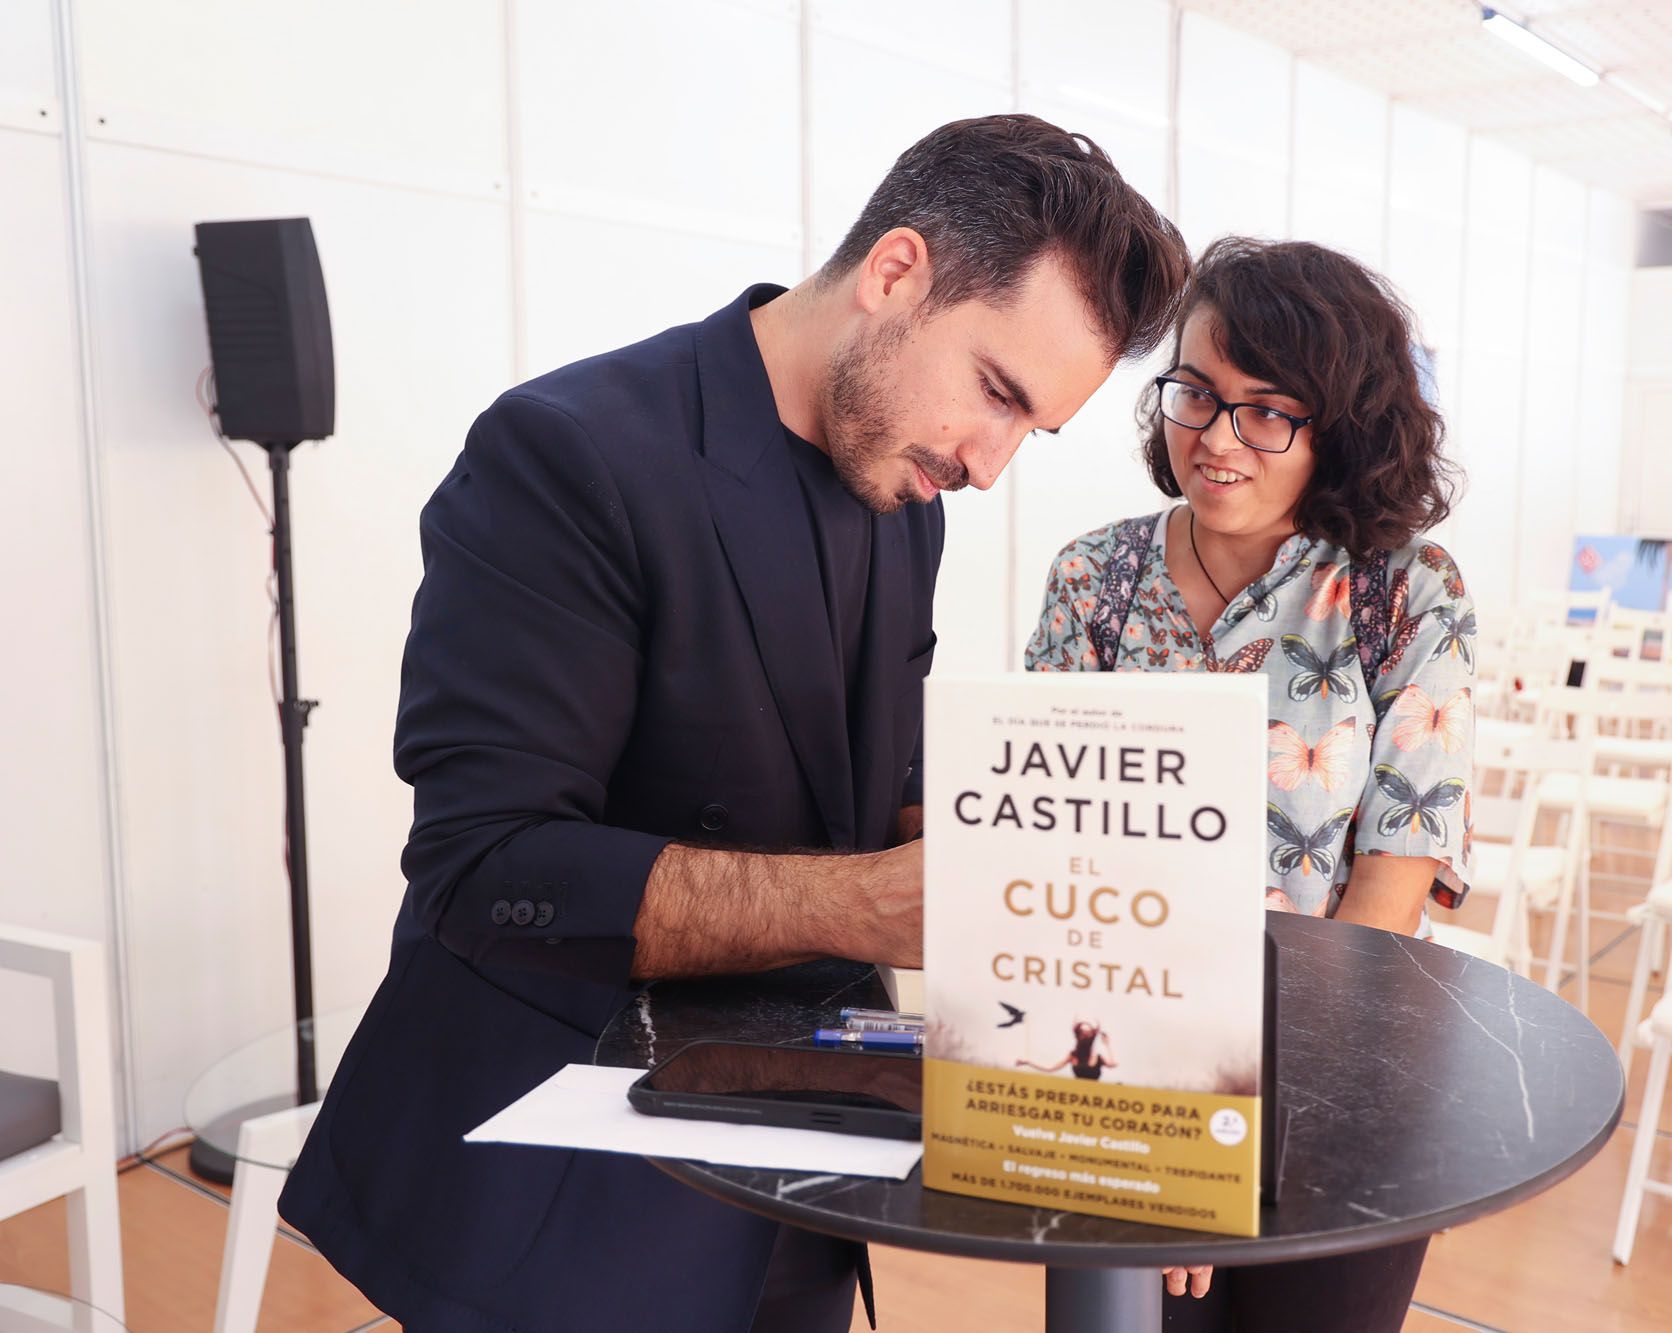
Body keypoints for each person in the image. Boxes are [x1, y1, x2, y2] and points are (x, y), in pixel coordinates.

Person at [277, 115, 1190, 1333]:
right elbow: (488, 873)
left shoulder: (900, 487)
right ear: (895, 271)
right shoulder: (567, 452)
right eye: (995, 395)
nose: (989, 464)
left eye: (1033, 429)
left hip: (798, 1152)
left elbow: (876, 767)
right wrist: (878, 901)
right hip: (566, 1180)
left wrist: (1073, 870)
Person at [1025, 237, 1473, 1333]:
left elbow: (1389, 885)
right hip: (1116, 1074)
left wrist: (1241, 1121)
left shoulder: (1403, 591)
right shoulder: (1093, 577)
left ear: (1342, 425)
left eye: (1267, 410)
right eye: (1195, 394)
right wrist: (1168, 1120)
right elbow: (1048, 856)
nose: (1216, 440)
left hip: (1338, 1080)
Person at [1016, 1021, 1117, 1079]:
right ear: (1078, 1035)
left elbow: (1113, 1064)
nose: (1085, 1035)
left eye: (1088, 1032)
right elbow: (1050, 1068)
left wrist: (1107, 1045)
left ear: (1092, 1036)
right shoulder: (1073, 1056)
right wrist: (1028, 1062)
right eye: (1083, 1032)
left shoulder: (1097, 1057)